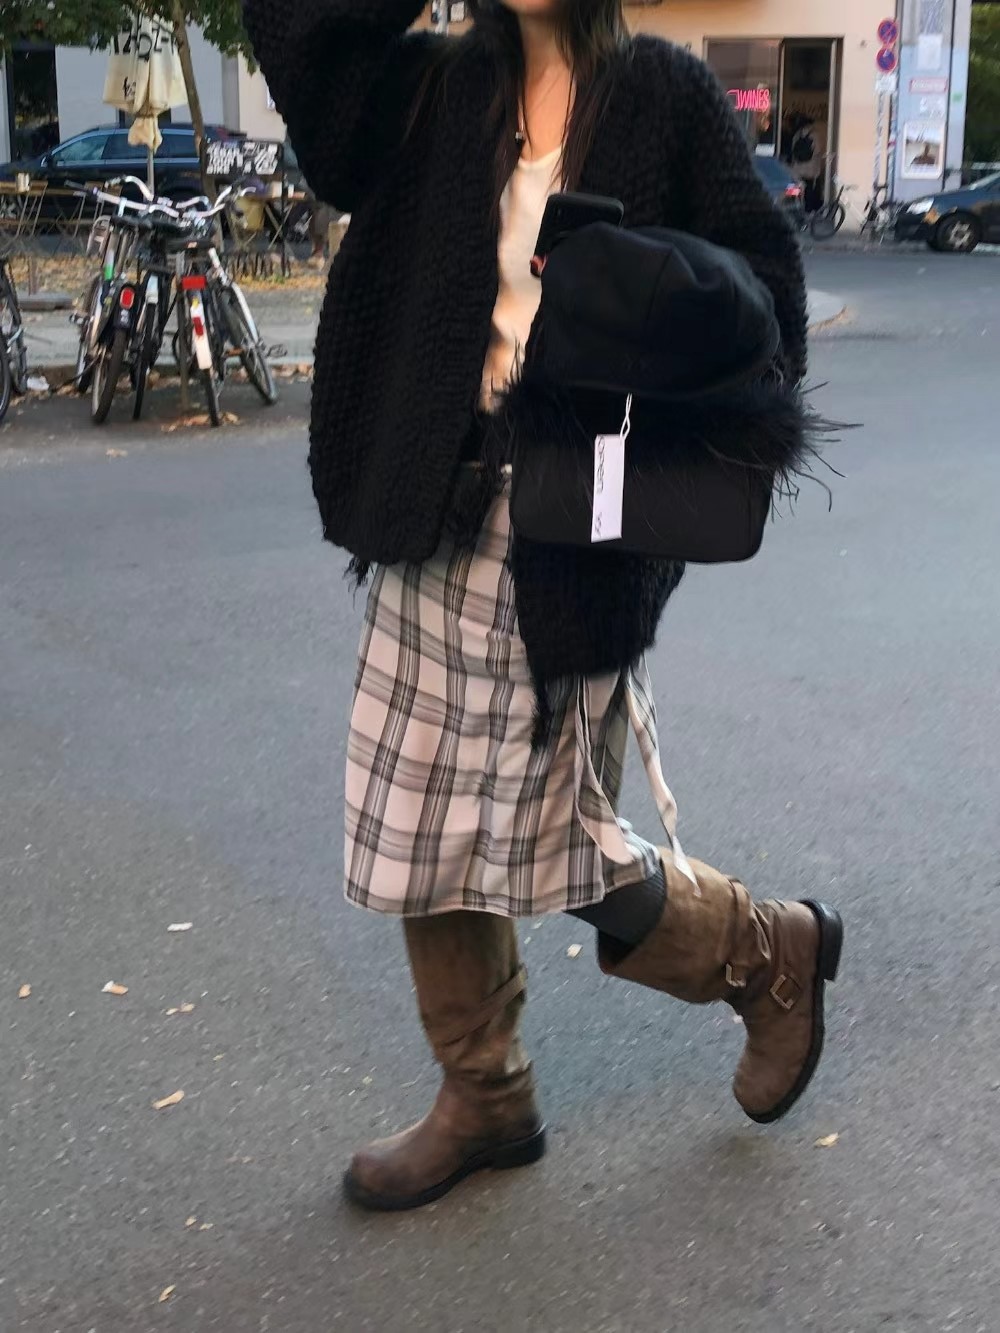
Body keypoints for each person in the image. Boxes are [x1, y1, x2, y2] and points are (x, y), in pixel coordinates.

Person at [245, 0, 843, 1212]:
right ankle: (486, 1093)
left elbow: (767, 304)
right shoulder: (433, 90)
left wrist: (641, 304)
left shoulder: (666, 97)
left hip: (576, 523)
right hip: (437, 499)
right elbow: (302, 44)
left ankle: (763, 953)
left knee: (561, 842)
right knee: (412, 829)